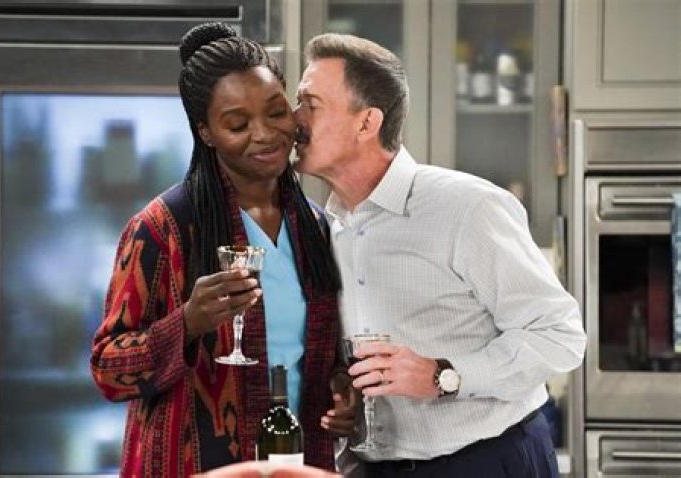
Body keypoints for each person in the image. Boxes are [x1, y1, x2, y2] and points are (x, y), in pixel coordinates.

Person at [293, 32, 587, 478]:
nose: (292, 118)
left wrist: (444, 375)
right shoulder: (324, 227)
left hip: (489, 461)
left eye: (310, 104)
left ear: (366, 122)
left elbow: (560, 336)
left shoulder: (467, 208)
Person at [90, 23, 355, 477]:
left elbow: (310, 354)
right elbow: (108, 370)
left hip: (297, 464)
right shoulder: (162, 228)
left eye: (276, 112)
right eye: (237, 124)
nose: (264, 134)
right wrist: (188, 322)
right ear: (207, 132)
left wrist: (341, 389)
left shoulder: (315, 225)